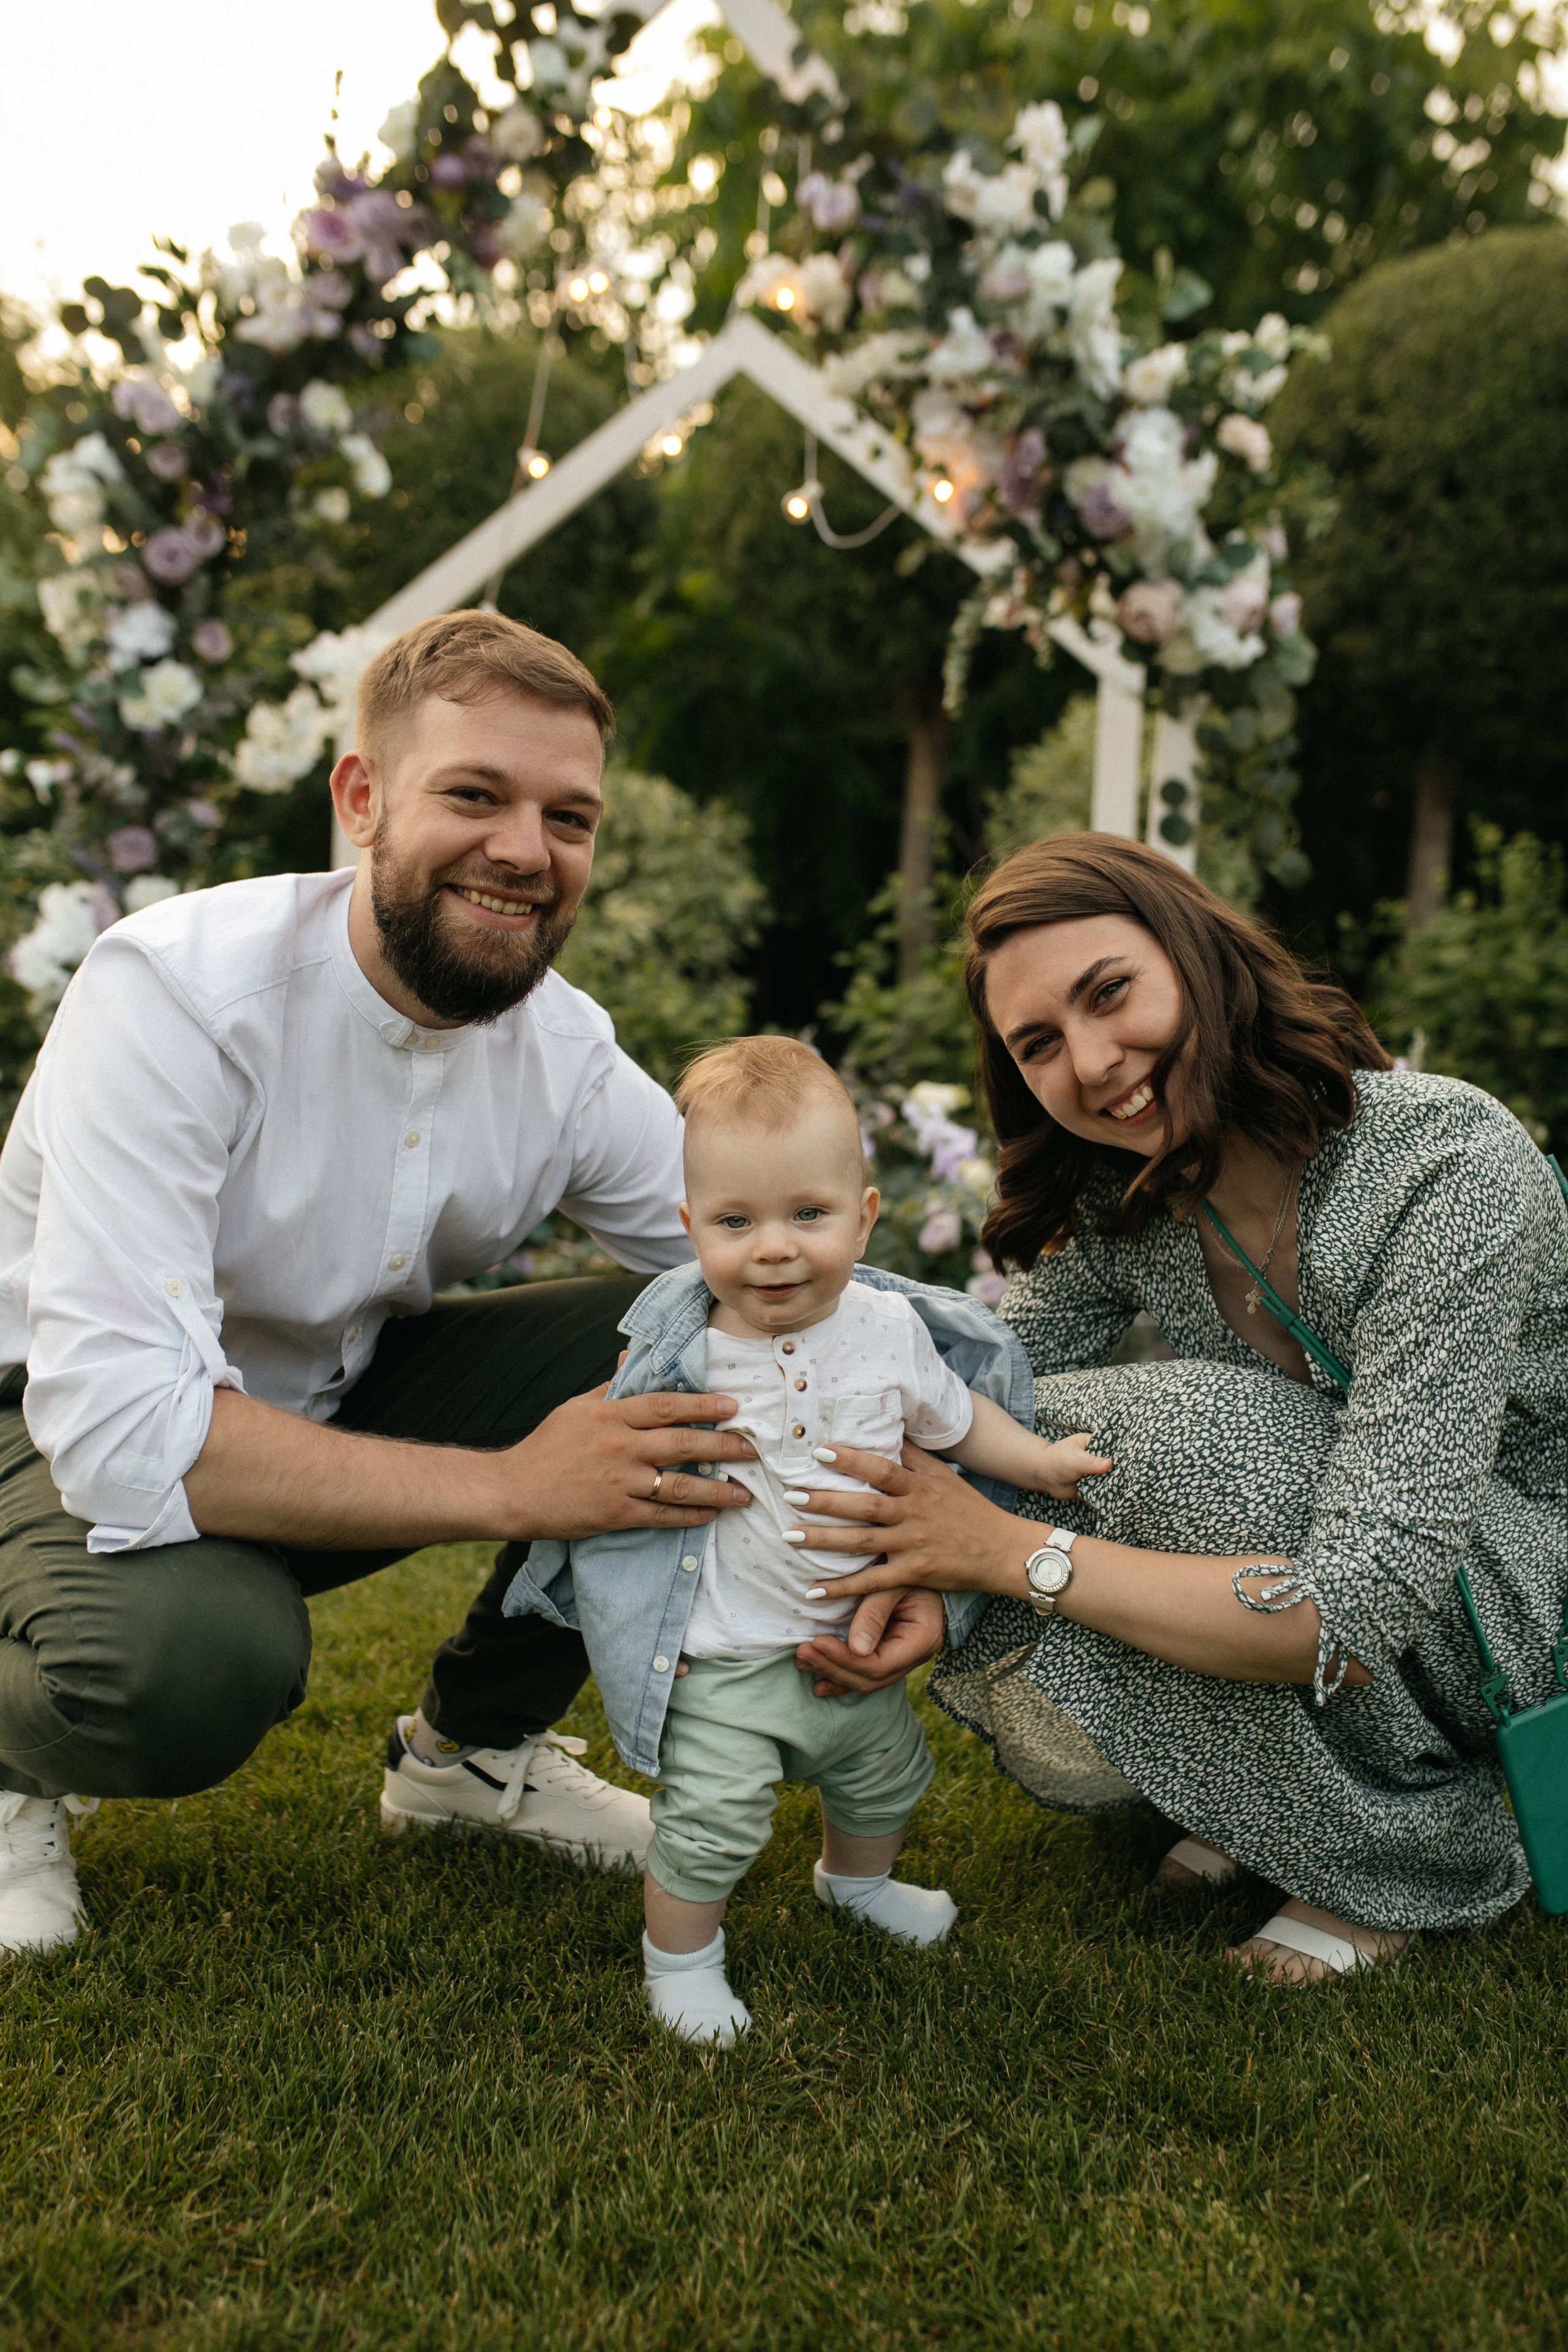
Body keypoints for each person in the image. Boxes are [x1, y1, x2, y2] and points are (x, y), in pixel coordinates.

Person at [0, 609, 766, 1955]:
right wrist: (520, 1488)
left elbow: (786, 1277)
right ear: (361, 797)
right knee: (186, 1673)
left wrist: (973, 1469)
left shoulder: (564, 1055)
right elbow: (126, 1439)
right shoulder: (173, 998)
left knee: (714, 1328)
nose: (524, 852)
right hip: (43, 1432)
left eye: (567, 818)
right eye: (473, 795)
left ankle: (471, 1758)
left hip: (324, 1405)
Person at [783, 835, 1568, 1983]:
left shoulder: (1445, 1159)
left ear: (1197, 955)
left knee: (1169, 1443)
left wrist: (1006, 1555)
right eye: (1039, 1045)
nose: (1095, 1064)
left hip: (1531, 1592)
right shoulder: (1132, 1196)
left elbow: (1359, 1601)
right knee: (1012, 1431)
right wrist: (904, 1554)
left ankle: (1412, 1850)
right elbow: (965, 1386)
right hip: (1376, 1576)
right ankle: (1292, 1801)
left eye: (1112, 994)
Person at [503, 1035, 1107, 2045]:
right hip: (722, 1652)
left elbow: (953, 1417)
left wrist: (1041, 1465)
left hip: (851, 1637)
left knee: (881, 1780)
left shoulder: (887, 1329)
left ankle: (854, 1885)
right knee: (711, 1825)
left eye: (808, 1215)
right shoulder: (680, 1354)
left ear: (864, 1218)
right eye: (736, 1222)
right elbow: (608, 1468)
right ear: (689, 1229)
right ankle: (683, 1963)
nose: (774, 1248)